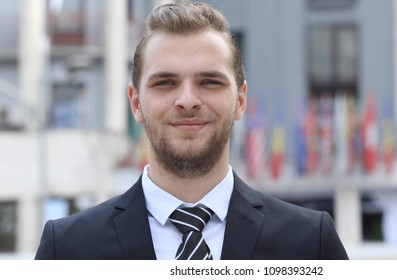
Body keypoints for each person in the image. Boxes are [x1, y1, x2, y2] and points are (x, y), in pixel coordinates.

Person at [34, 2, 348, 260]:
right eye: (165, 83)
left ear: (240, 100)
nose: (187, 101)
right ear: (136, 103)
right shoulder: (66, 250)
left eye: (209, 82)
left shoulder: (310, 244)